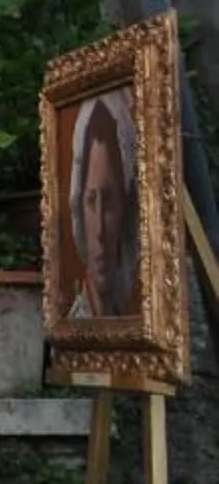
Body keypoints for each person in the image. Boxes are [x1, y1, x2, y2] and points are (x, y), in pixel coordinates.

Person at [70, 97, 138, 320]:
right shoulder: (72, 327)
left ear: (125, 207)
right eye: (91, 201)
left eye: (108, 202)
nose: (99, 230)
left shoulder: (138, 322)